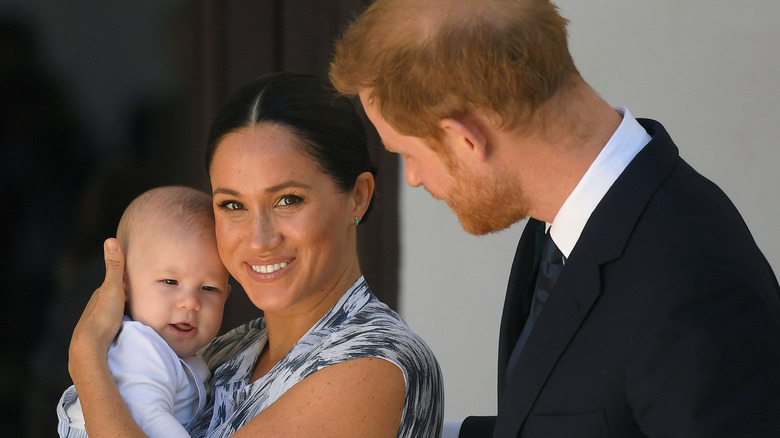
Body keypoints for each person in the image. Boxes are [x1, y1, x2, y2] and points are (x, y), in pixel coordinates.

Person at [330, 0, 780, 437]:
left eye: (408, 154)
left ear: (466, 140)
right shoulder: (565, 220)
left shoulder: (692, 286)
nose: (413, 179)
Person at [66, 72, 444, 438]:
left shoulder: (372, 363)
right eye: (233, 205)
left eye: (288, 200)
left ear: (357, 197)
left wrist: (86, 356)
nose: (259, 239)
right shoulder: (231, 348)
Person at [57, 185, 231, 437]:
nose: (191, 302)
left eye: (209, 288)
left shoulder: (173, 353)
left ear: (226, 296)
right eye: (170, 282)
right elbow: (148, 420)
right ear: (123, 286)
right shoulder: (140, 349)